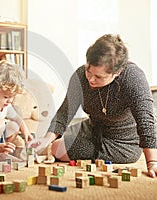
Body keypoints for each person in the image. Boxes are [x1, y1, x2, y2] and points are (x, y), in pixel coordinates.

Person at [27, 34, 157, 178]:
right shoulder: (81, 75)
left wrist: (152, 162)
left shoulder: (133, 78)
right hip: (92, 128)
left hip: (122, 142)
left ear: (117, 72)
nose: (90, 79)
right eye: (89, 70)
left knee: (58, 149)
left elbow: (146, 122)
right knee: (54, 143)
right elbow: (64, 113)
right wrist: (46, 139)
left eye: (99, 77)